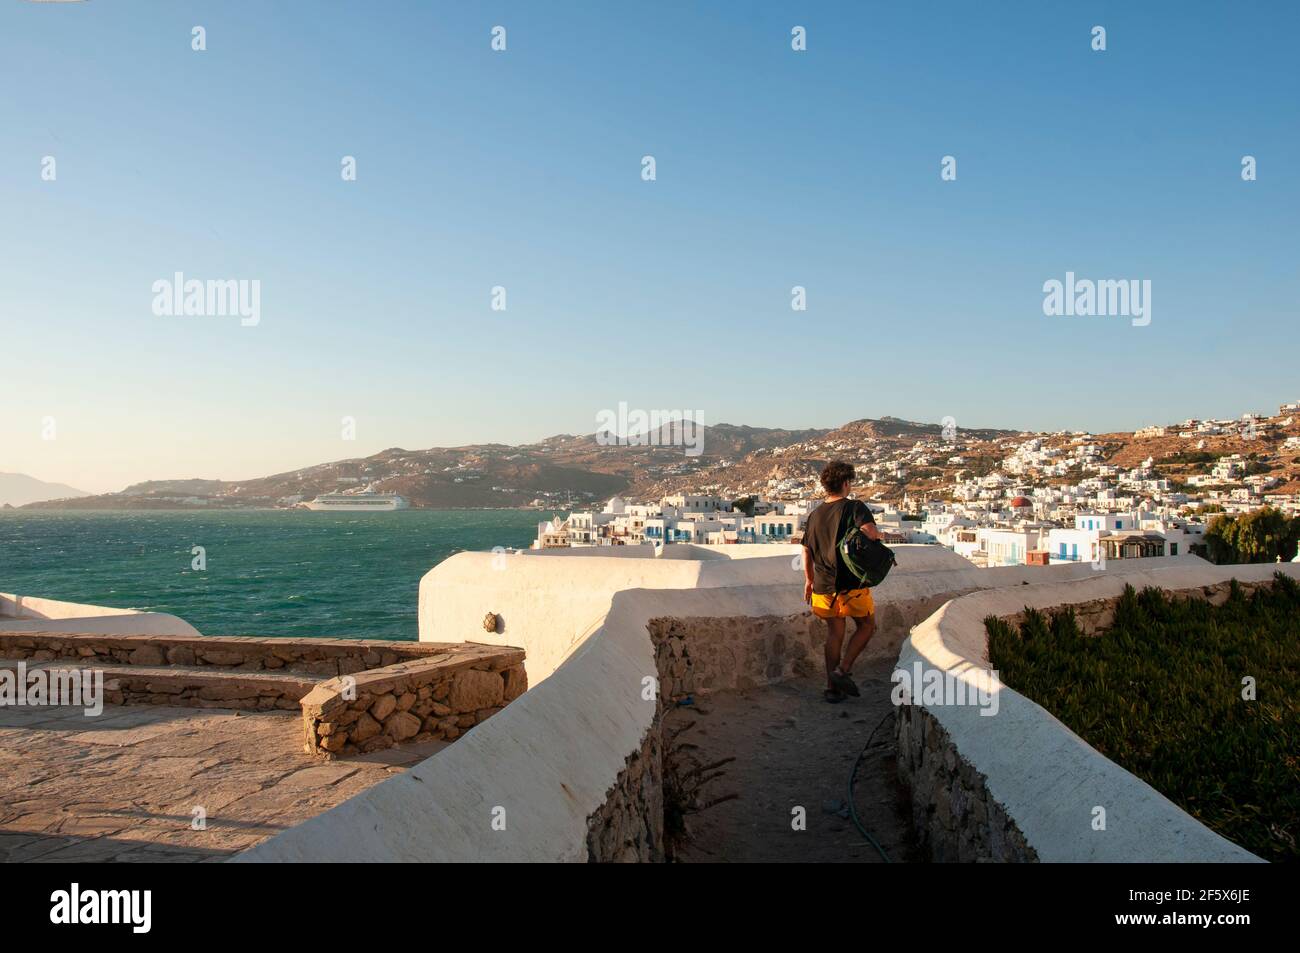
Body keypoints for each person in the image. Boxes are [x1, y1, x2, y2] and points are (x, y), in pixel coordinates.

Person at [801, 461, 881, 703]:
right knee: (866, 626)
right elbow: (871, 533)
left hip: (823, 587)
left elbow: (806, 551)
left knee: (834, 632)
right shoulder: (854, 507)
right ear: (846, 483)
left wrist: (808, 580)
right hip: (851, 584)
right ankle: (842, 670)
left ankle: (831, 689)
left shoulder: (814, 515)